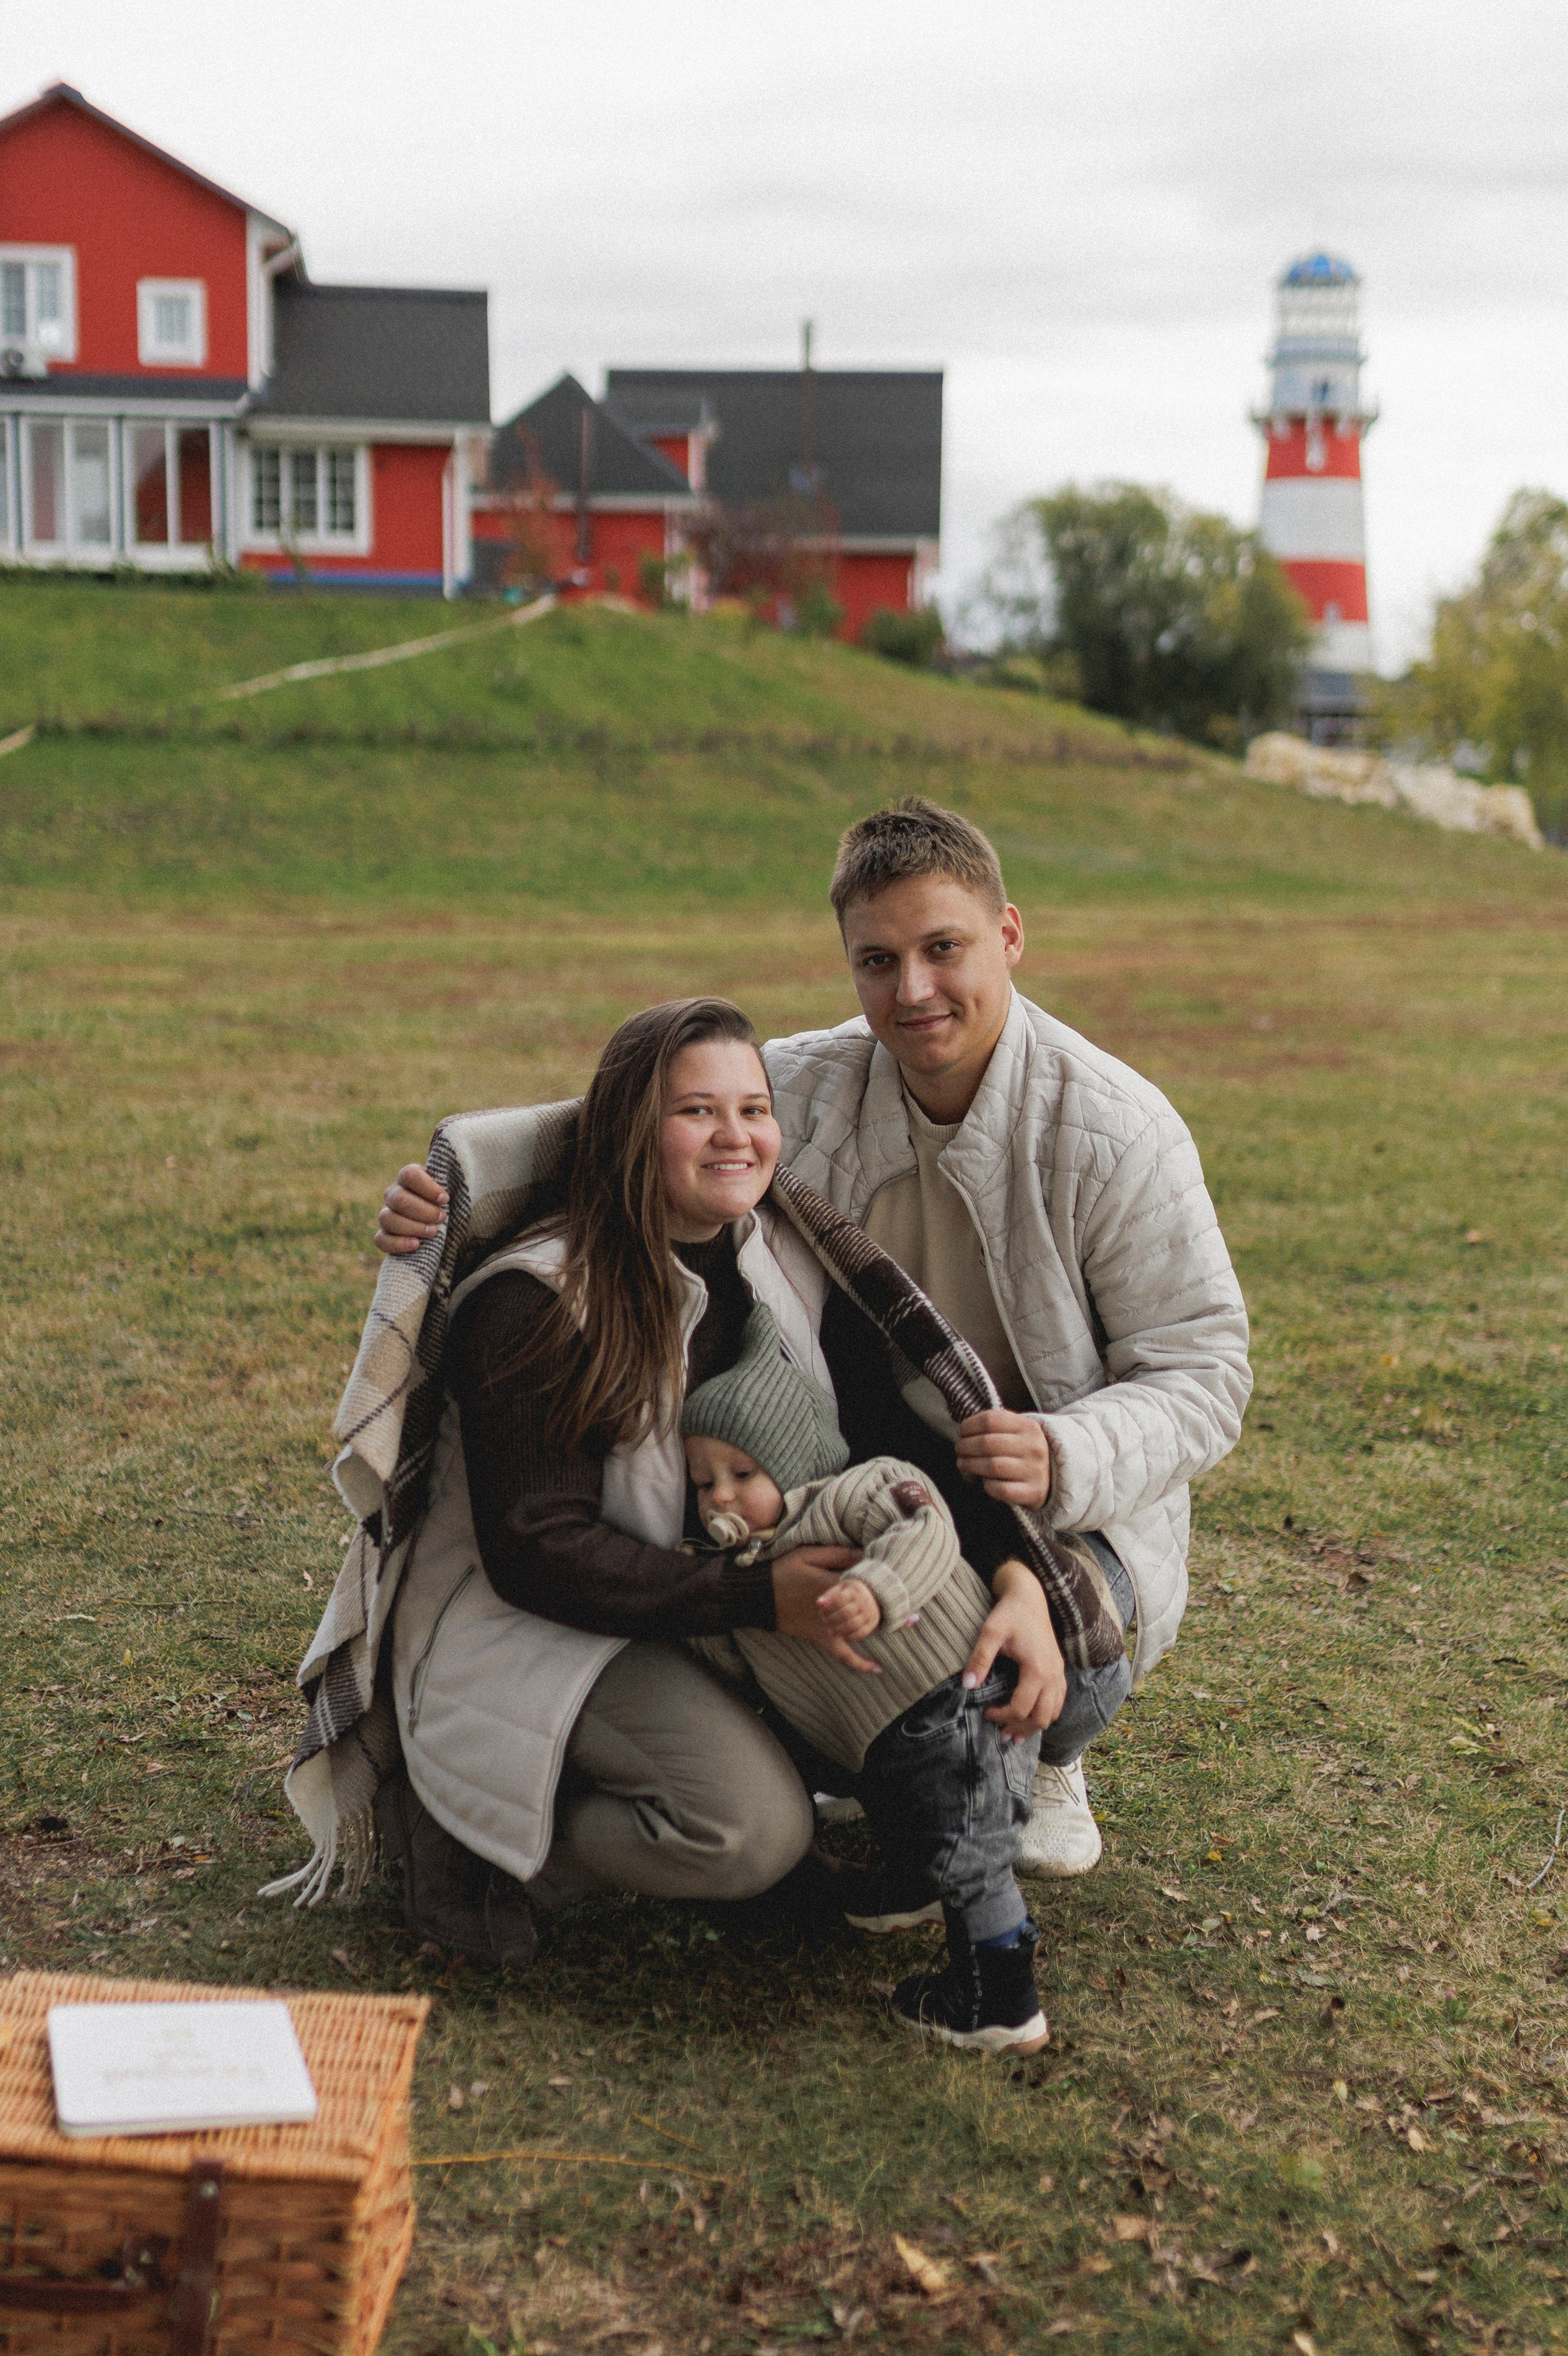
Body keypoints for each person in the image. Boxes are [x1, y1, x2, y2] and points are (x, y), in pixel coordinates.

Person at [375, 798, 1253, 1881]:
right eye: (878, 961)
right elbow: (635, 1115)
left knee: (1061, 1664)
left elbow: (1205, 1371)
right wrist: (453, 1196)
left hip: (1061, 1492)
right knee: (879, 1720)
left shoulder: (1118, 1129)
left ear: (1011, 934)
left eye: (944, 949)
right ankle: (857, 1765)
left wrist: (1060, 1461)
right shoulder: (800, 1086)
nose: (912, 990)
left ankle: (1039, 1761)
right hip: (856, 1469)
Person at [356, 992, 1063, 1984]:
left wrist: (1018, 1580)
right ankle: (488, 1850)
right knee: (748, 1834)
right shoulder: (542, 1299)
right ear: (628, 1133)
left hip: (707, 1595)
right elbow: (534, 1549)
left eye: (753, 1108)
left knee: (987, 1663)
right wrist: (760, 1598)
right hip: (542, 1627)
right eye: (696, 1111)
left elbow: (890, 1432)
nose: (736, 1135)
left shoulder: (781, 1254)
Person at [680, 1301, 1048, 2055]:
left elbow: (926, 1529)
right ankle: (909, 1889)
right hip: (882, 1743)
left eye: (742, 1473)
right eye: (702, 1481)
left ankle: (997, 1999)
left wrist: (877, 1587)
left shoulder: (857, 1491)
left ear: (795, 1458)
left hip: (962, 1700)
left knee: (972, 1851)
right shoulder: (747, 1576)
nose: (720, 1496)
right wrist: (705, 1612)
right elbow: (735, 1659)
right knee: (918, 1824)